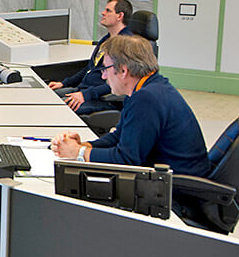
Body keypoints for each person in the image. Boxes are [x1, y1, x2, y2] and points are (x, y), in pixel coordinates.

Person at [51, 34, 211, 177]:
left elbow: (126, 160)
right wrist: (84, 145)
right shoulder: (144, 89)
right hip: (171, 178)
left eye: (105, 69)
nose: (103, 76)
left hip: (178, 191)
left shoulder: (146, 99)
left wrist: (79, 153)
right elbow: (118, 136)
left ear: (123, 71)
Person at [47, 0, 134, 115]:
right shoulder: (106, 40)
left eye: (108, 11)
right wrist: (64, 83)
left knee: (56, 109)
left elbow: (118, 82)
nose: (103, 13)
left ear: (120, 16)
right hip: (84, 90)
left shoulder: (125, 44)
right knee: (47, 97)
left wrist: (85, 95)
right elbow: (89, 69)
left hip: (101, 98)